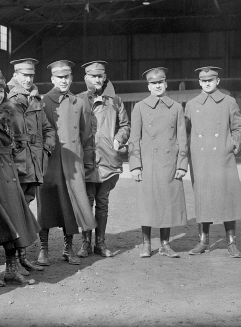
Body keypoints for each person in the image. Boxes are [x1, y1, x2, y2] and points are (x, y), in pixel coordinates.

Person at [0, 70, 41, 285]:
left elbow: (15, 141)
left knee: (13, 219)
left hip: (9, 170)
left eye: (1, 91)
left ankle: (11, 269)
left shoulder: (6, 113)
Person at [37, 60, 96, 266]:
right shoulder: (43, 102)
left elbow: (85, 135)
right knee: (46, 205)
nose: (63, 81)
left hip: (72, 162)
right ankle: (43, 249)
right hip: (49, 163)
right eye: (59, 77)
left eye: (67, 77)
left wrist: (85, 164)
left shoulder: (79, 103)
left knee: (70, 206)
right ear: (52, 79)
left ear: (72, 78)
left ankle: (68, 248)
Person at [185, 66, 241, 258]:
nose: (207, 83)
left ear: (217, 81)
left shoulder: (229, 102)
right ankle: (203, 241)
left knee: (228, 199)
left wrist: (233, 144)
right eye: (203, 81)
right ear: (199, 83)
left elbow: (240, 128)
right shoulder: (192, 104)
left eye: (211, 80)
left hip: (222, 156)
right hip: (201, 158)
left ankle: (231, 242)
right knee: (203, 200)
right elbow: (185, 131)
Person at [128, 67, 188, 258]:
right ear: (148, 86)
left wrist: (181, 165)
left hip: (169, 163)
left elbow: (182, 138)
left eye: (160, 82)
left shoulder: (177, 107)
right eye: (153, 83)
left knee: (168, 203)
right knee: (148, 204)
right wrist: (135, 164)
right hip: (148, 164)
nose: (157, 86)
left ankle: (165, 244)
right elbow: (134, 138)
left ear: (166, 83)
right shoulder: (140, 107)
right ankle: (146, 244)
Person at [77, 61, 130, 258]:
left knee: (103, 202)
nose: (97, 80)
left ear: (105, 77)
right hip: (86, 160)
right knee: (87, 202)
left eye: (100, 76)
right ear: (86, 78)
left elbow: (125, 125)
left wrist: (118, 139)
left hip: (108, 159)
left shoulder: (115, 101)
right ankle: (85, 244)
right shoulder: (78, 100)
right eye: (93, 76)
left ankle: (100, 243)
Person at [7, 58, 55, 273]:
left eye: (31, 76)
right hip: (15, 164)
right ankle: (13, 261)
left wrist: (46, 149)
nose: (28, 79)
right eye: (24, 75)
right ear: (15, 74)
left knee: (25, 210)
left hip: (34, 162)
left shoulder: (36, 98)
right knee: (16, 211)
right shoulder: (5, 97)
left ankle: (22, 257)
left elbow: (48, 129)